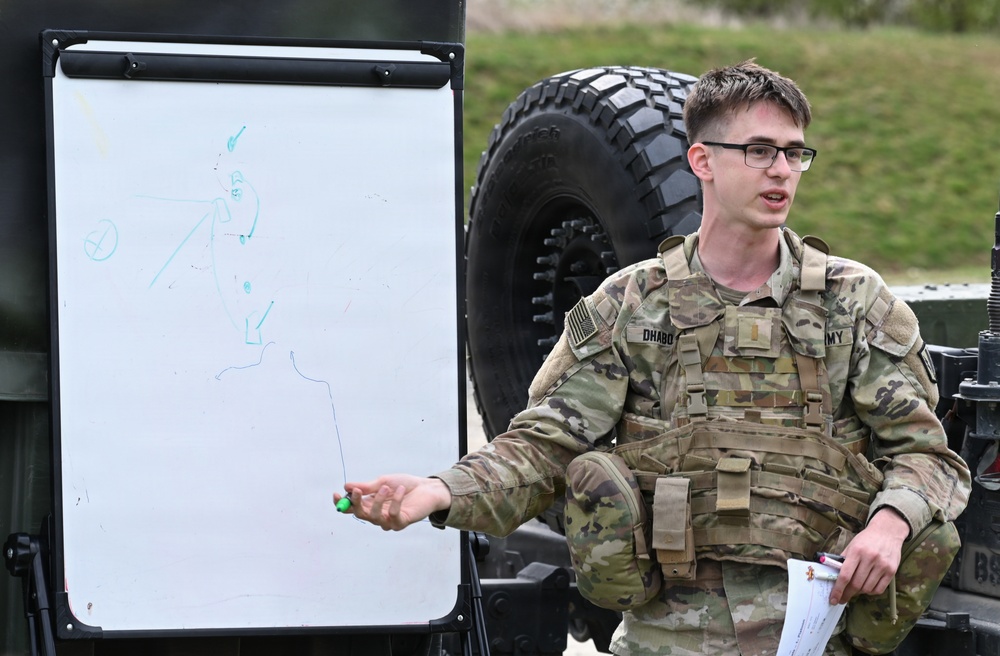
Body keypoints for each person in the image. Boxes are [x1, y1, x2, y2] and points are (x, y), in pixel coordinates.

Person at [335, 60, 971, 655]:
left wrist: (890, 524)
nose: (781, 169)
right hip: (666, 637)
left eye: (794, 152)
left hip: (815, 636)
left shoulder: (853, 303)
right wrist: (440, 491)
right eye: (758, 150)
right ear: (702, 160)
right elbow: (545, 446)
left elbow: (926, 456)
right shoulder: (632, 304)